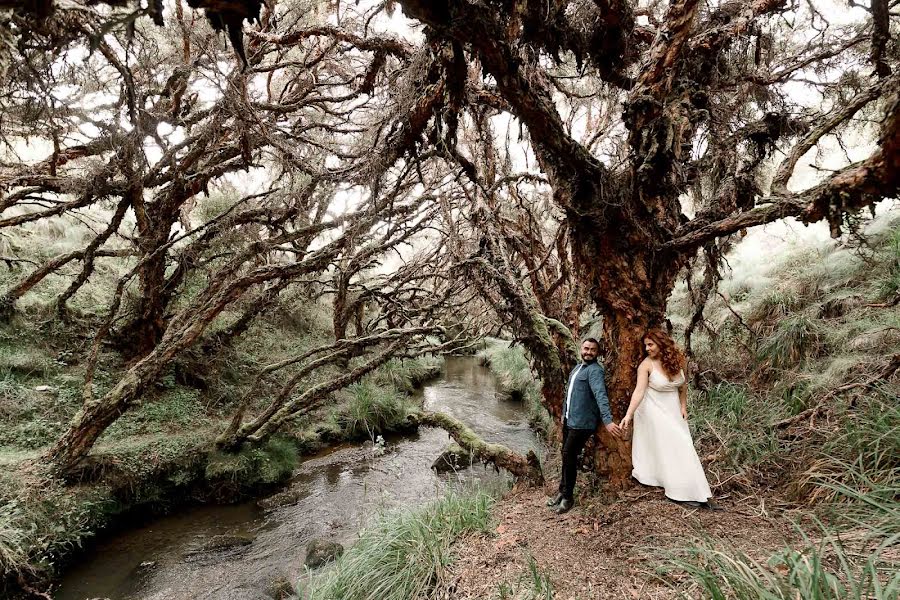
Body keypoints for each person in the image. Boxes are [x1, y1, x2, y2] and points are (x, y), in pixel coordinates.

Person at [619, 329, 713, 505]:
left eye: (650, 344)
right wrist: (628, 414)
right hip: (653, 409)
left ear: (661, 343)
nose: (647, 348)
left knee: (684, 445)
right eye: (645, 345)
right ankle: (677, 491)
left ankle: (694, 488)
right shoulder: (646, 365)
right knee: (673, 445)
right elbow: (639, 392)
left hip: (673, 409)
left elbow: (683, 386)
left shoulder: (679, 360)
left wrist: (683, 406)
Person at [546, 338, 622, 514]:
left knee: (569, 455)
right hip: (569, 420)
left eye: (593, 350)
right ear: (581, 349)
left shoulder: (595, 371)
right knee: (565, 456)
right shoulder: (577, 368)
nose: (589, 352)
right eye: (586, 348)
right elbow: (570, 394)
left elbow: (600, 396)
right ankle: (561, 492)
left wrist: (608, 421)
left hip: (583, 424)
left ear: (597, 353)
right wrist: (564, 416)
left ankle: (568, 498)